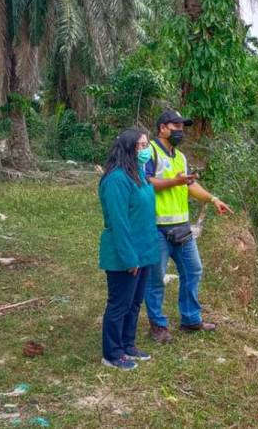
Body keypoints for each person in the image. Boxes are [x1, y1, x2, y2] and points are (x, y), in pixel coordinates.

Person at [144, 110, 233, 343]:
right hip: (156, 228)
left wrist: (213, 199)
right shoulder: (149, 152)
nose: (180, 131)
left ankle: (191, 319)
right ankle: (158, 326)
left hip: (182, 227)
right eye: (176, 126)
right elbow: (146, 184)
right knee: (155, 278)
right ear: (162, 128)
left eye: (183, 127)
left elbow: (189, 186)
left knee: (193, 270)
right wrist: (176, 181)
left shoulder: (180, 157)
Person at [98, 127, 159, 370]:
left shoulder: (139, 174)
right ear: (129, 148)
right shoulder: (116, 180)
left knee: (134, 303)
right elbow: (118, 222)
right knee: (119, 304)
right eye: (142, 146)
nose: (146, 150)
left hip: (144, 252)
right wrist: (129, 258)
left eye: (147, 145)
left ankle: (128, 345)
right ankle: (112, 354)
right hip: (125, 254)